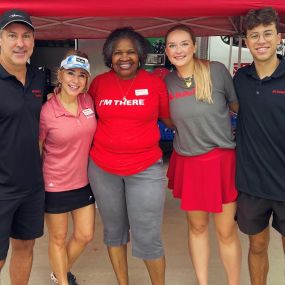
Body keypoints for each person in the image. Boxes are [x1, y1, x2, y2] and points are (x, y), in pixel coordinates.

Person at [87, 27, 171, 285]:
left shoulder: (155, 84)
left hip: (146, 168)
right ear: (109, 56)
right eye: (118, 53)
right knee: (114, 232)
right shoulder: (99, 84)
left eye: (131, 52)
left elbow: (169, 119)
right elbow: (85, 115)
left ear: (140, 55)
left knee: (148, 235)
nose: (124, 57)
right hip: (103, 169)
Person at [164, 24, 241, 285]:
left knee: (226, 230)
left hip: (221, 161)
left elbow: (236, 106)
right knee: (197, 228)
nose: (178, 50)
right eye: (172, 45)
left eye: (184, 43)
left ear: (194, 46)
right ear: (166, 50)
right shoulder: (166, 82)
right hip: (189, 161)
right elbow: (169, 120)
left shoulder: (216, 71)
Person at [233, 7, 285, 285]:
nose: (261, 41)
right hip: (252, 184)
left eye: (267, 34)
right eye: (254, 35)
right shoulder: (240, 79)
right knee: (257, 246)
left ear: (279, 37)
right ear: (246, 40)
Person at [39, 50, 96, 285]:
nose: (75, 80)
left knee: (85, 234)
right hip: (55, 183)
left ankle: (59, 270)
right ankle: (62, 281)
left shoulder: (88, 101)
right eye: (71, 73)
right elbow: (37, 148)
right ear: (60, 75)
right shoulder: (47, 111)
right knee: (58, 238)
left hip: (83, 182)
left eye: (82, 75)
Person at [0, 9, 46, 285]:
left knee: (25, 248)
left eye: (26, 36)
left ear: (33, 41)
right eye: (12, 35)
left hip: (32, 186)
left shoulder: (39, 78)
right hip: (0, 188)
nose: (20, 42)